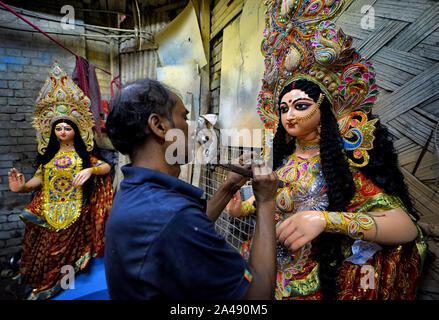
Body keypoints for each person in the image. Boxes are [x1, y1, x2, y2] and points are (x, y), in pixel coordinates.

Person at [226, 2, 426, 300]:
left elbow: (406, 228)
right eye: (283, 108)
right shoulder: (286, 161)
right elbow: (274, 200)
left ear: (325, 109)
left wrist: (325, 220)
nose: (289, 115)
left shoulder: (338, 164)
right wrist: (236, 204)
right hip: (266, 275)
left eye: (301, 106)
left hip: (316, 283)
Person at [104, 78, 279, 299]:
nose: (194, 130)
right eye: (185, 117)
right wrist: (266, 202)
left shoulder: (137, 190)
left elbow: (190, 225)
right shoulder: (171, 216)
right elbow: (258, 298)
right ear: (159, 126)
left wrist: (229, 185)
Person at [8, 62, 113, 300]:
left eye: (67, 127)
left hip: (76, 213)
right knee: (45, 254)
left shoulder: (84, 156)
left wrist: (91, 172)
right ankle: (46, 285)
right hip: (49, 210)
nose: (63, 131)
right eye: (59, 128)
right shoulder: (50, 157)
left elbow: (105, 166)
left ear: (77, 130)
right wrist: (22, 187)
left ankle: (67, 283)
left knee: (68, 256)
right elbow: (39, 179)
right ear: (52, 131)